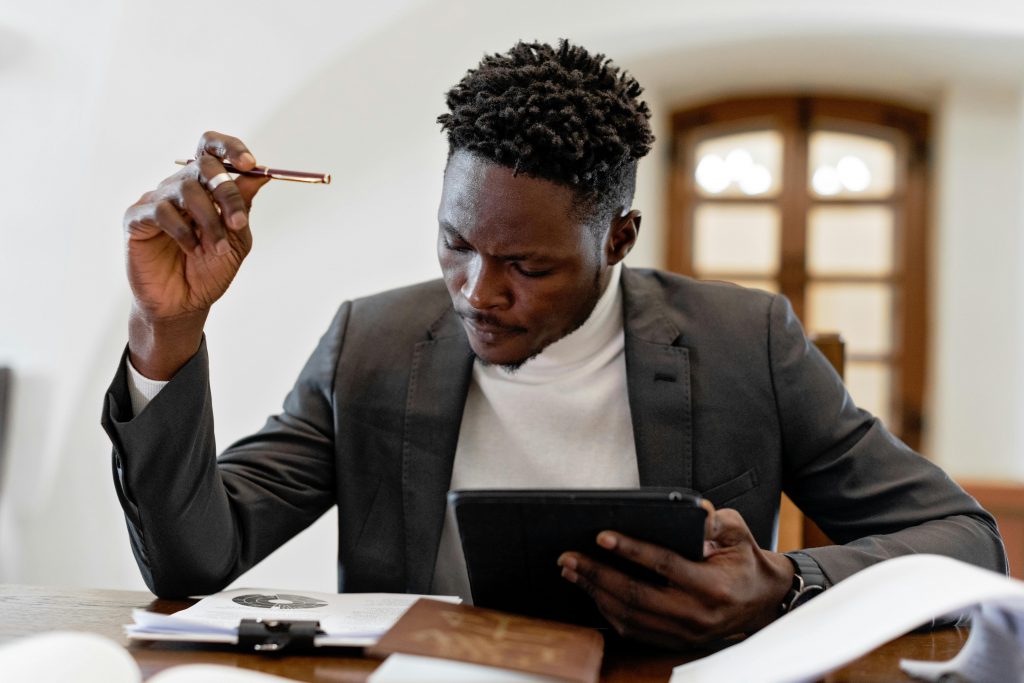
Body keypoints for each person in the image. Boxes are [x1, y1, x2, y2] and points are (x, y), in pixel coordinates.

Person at [103, 39, 1006, 649]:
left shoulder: (745, 344)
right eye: (455, 242)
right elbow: (194, 559)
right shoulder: (372, 342)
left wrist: (786, 580)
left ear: (619, 237)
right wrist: (166, 328)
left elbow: (966, 540)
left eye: (525, 266)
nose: (476, 291)